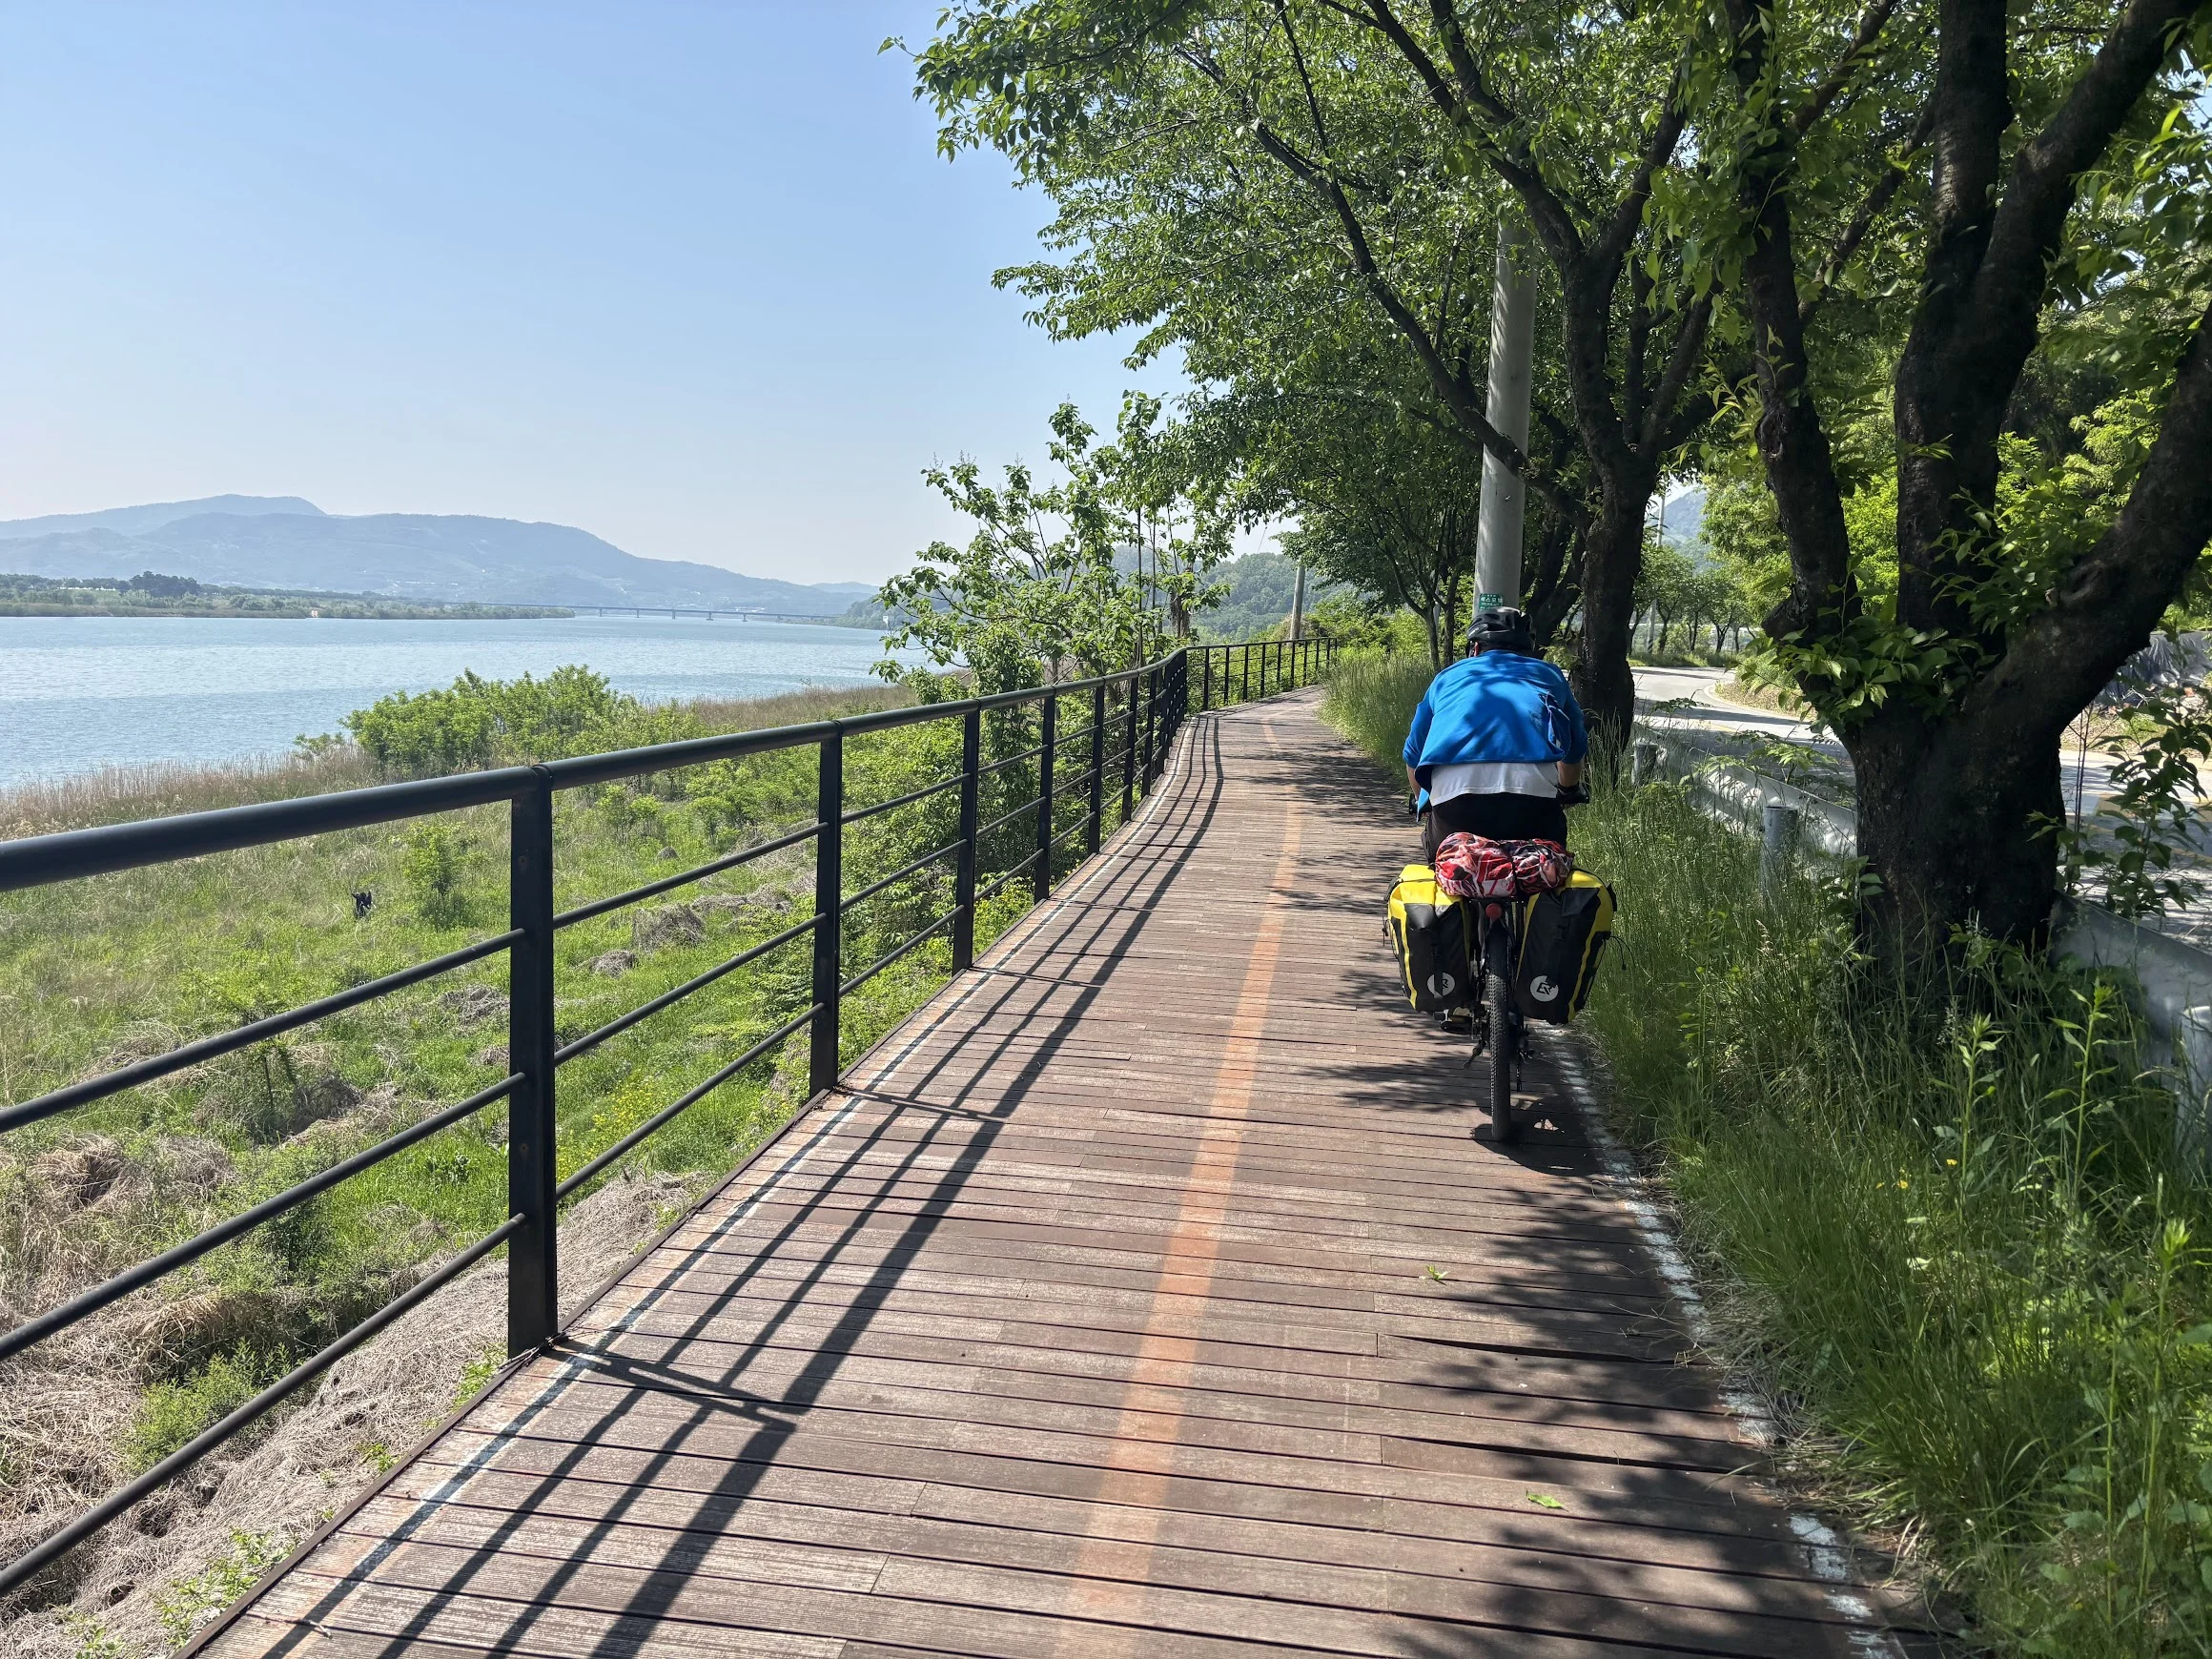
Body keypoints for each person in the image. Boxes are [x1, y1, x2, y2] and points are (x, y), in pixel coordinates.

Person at [1403, 606, 1587, 862]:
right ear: (1527, 650)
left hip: (1455, 805)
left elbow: (1414, 754)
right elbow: (1575, 745)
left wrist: (1422, 800)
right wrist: (1568, 789)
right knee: (1548, 863)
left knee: (1446, 860)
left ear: (1475, 648)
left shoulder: (1446, 679)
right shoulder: (1548, 674)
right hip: (1533, 803)